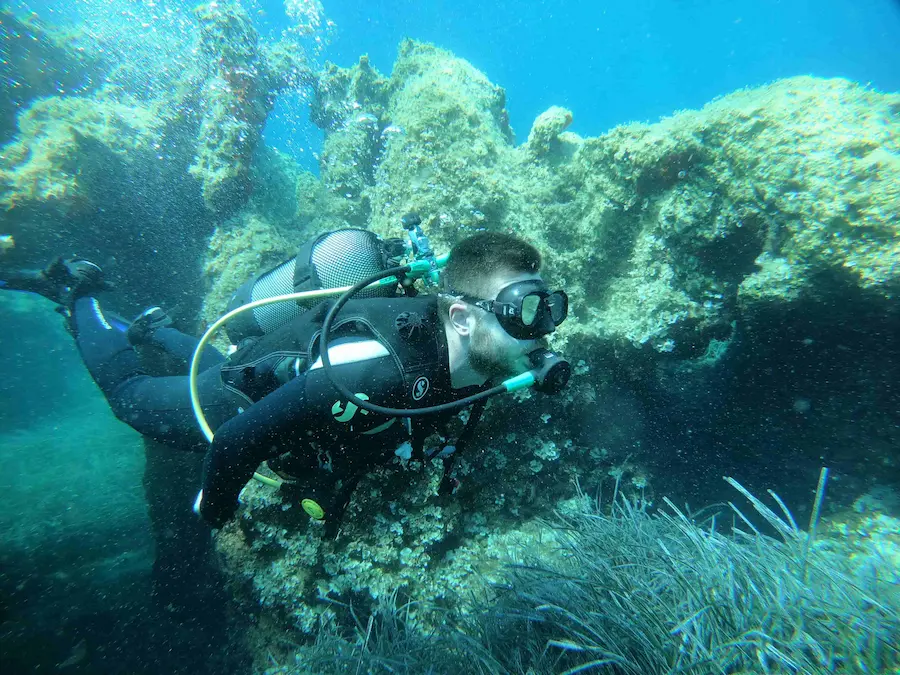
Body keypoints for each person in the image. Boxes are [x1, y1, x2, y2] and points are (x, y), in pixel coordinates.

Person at [0, 228, 569, 535]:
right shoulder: (371, 370)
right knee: (129, 399)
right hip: (238, 403)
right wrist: (214, 509)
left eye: (552, 308)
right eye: (526, 310)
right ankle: (78, 293)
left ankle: (158, 330)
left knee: (217, 361)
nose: (542, 331)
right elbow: (236, 440)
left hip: (285, 375)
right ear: (463, 318)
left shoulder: (484, 366)